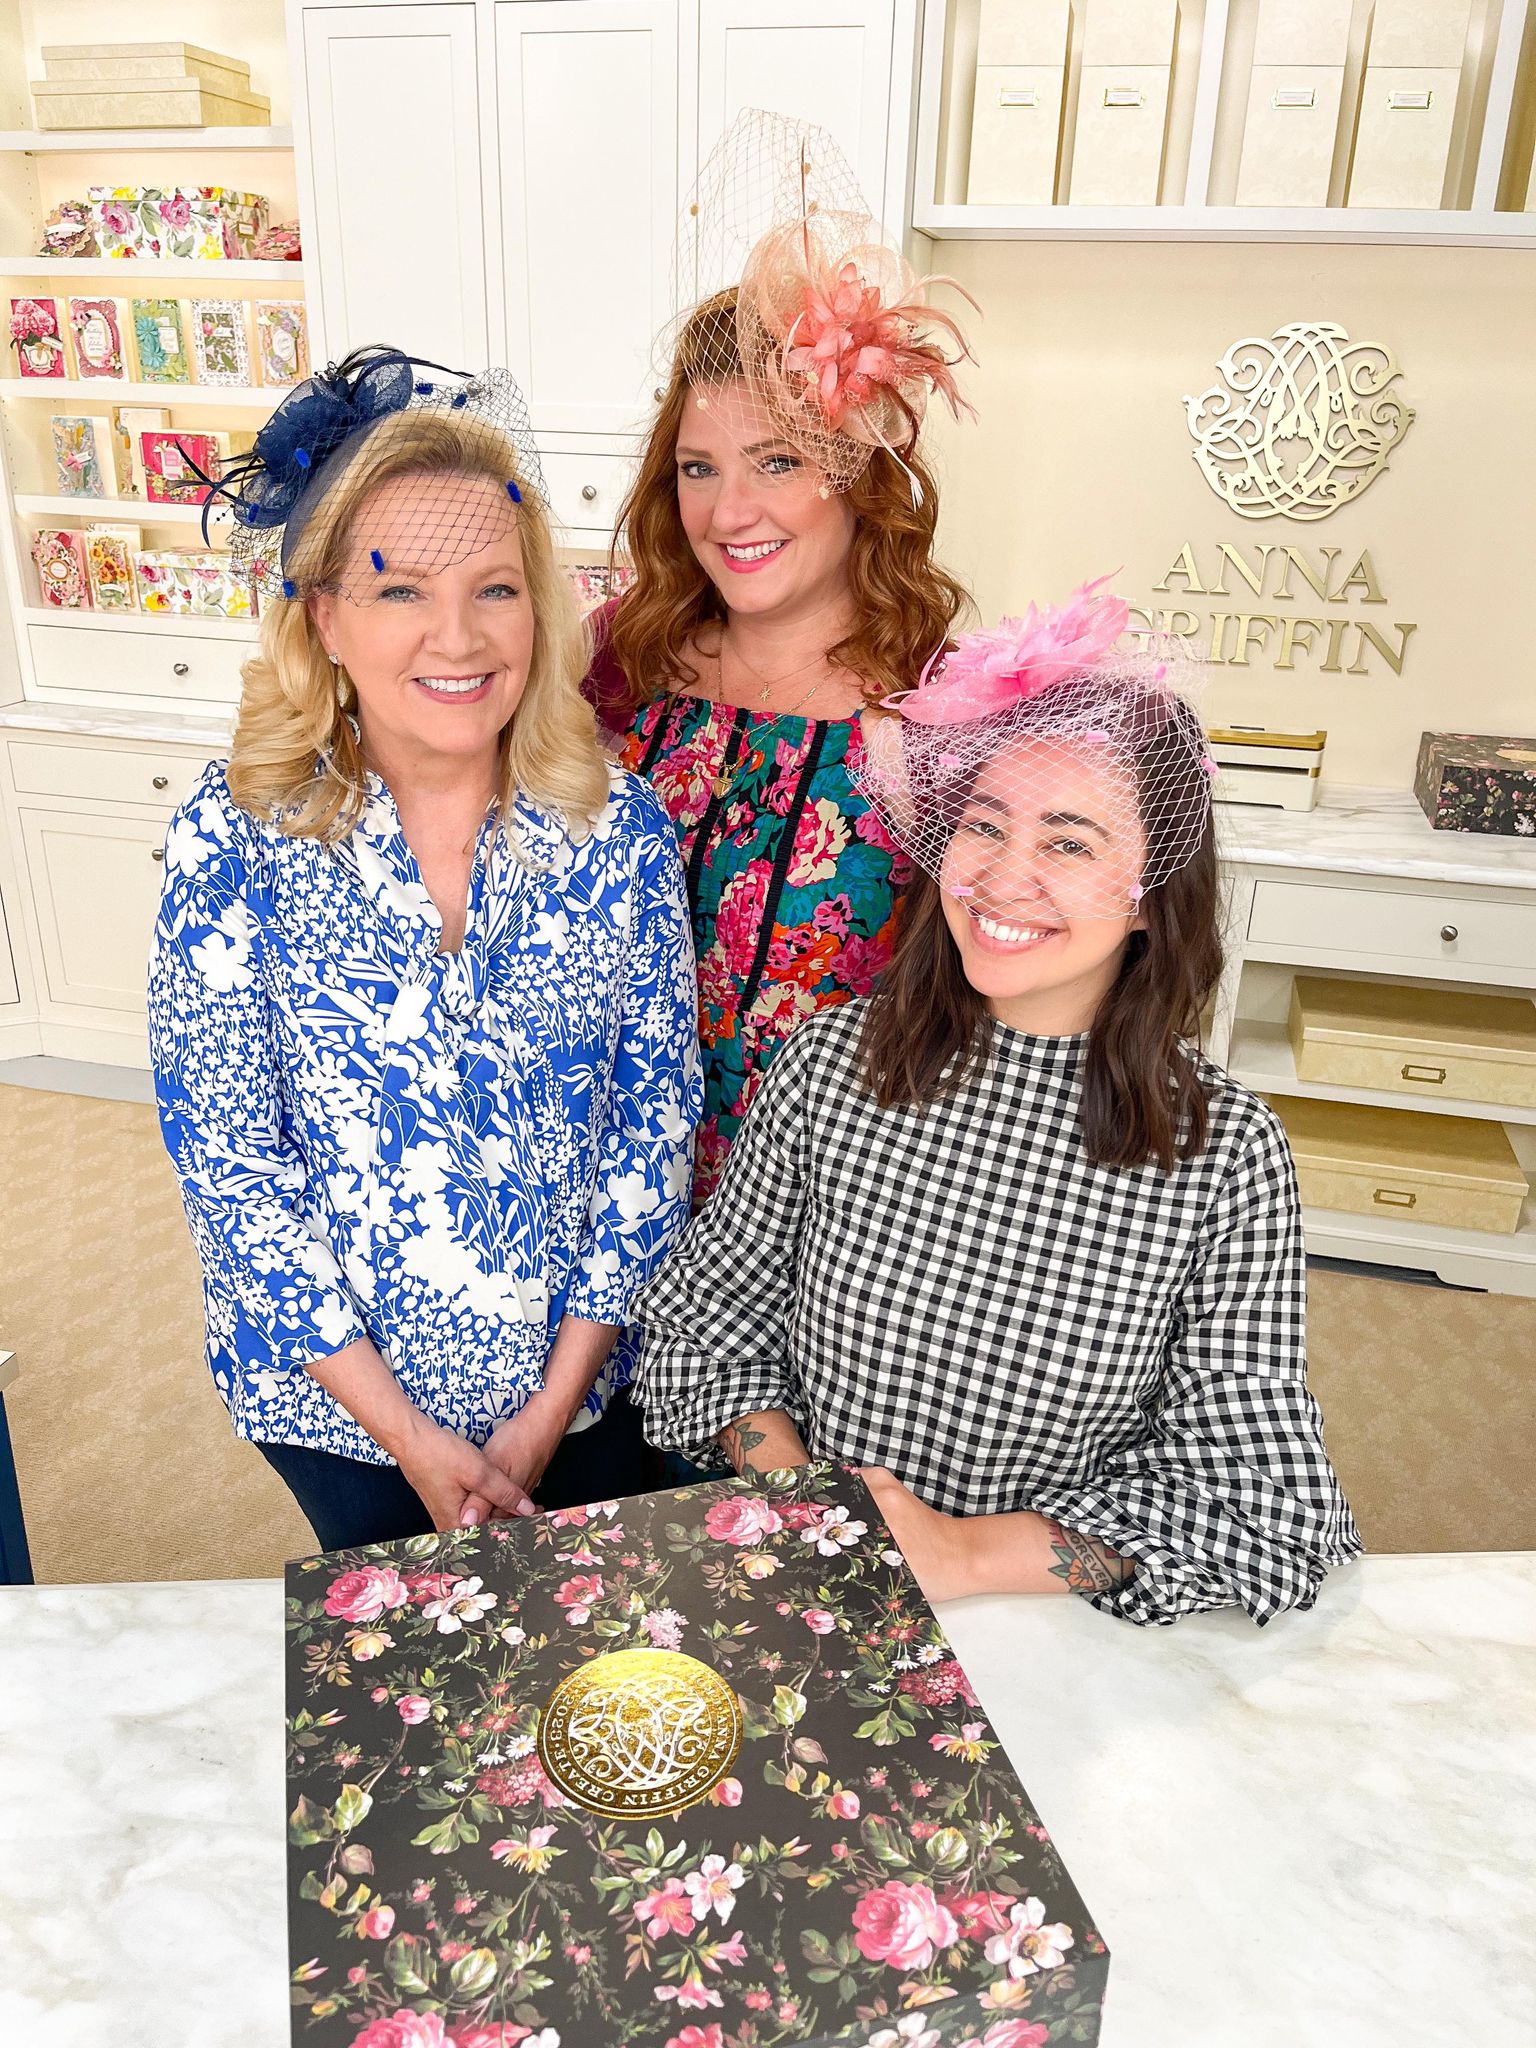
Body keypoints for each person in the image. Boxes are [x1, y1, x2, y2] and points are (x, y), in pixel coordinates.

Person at [634, 579, 1361, 1626]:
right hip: (818, 1584)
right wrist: (802, 1494)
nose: (1003, 878)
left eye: (1070, 841)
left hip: (1062, 1631)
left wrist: (963, 1555)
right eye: (984, 825)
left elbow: (1260, 1497)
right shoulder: (829, 1065)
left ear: (1152, 889)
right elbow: (704, 1330)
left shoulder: (1225, 1150)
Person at [148, 348, 701, 1552]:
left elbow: (655, 1119)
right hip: (338, 1417)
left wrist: (556, 1407)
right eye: (399, 591)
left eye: (494, 588)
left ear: (539, 607)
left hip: (582, 1396)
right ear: (326, 617)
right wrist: (406, 1433)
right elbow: (231, 1162)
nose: (458, 635)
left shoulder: (620, 828)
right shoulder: (233, 835)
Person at [585, 110, 973, 1202]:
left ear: (859, 470)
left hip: (828, 1219)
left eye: (777, 459)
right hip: (606, 1202)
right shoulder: (620, 665)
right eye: (697, 468)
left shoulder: (943, 712)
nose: (730, 509)